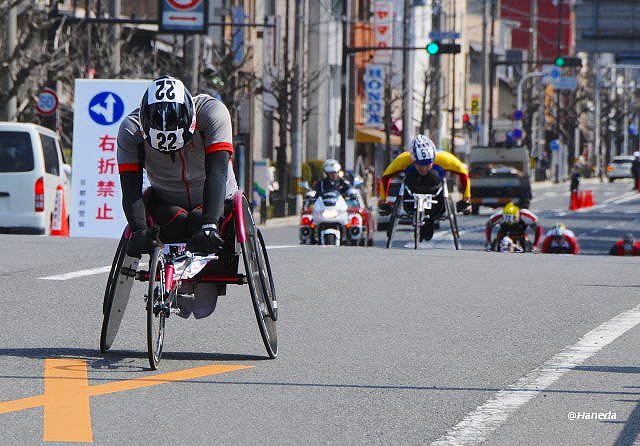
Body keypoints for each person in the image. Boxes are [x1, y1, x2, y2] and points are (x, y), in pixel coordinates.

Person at [117, 75, 238, 318]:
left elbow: (217, 172)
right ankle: (177, 278)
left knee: (198, 219)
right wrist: (139, 230)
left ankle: (204, 277)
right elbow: (130, 188)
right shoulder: (131, 130)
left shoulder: (213, 114)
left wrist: (210, 224)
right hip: (167, 200)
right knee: (177, 219)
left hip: (213, 197)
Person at [380, 135, 472, 241]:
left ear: (433, 158)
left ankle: (428, 221)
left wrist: (466, 199)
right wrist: (383, 201)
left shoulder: (444, 158)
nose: (424, 168)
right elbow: (385, 177)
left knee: (432, 174)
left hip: (436, 193)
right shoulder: (404, 159)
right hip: (412, 189)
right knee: (410, 176)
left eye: (428, 164)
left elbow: (464, 174)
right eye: (420, 164)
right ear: (413, 158)